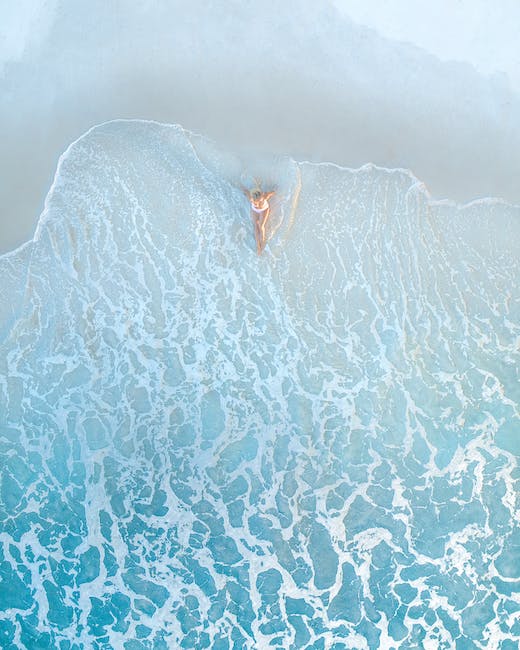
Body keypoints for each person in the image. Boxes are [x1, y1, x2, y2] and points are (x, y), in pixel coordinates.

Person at [243, 187, 276, 254]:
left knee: (261, 226)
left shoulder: (264, 197)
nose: (257, 203)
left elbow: (272, 193)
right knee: (255, 225)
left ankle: (262, 242)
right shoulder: (251, 198)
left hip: (264, 210)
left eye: (259, 200)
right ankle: (258, 246)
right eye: (255, 201)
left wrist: (274, 190)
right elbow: (246, 192)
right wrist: (242, 188)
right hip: (255, 210)